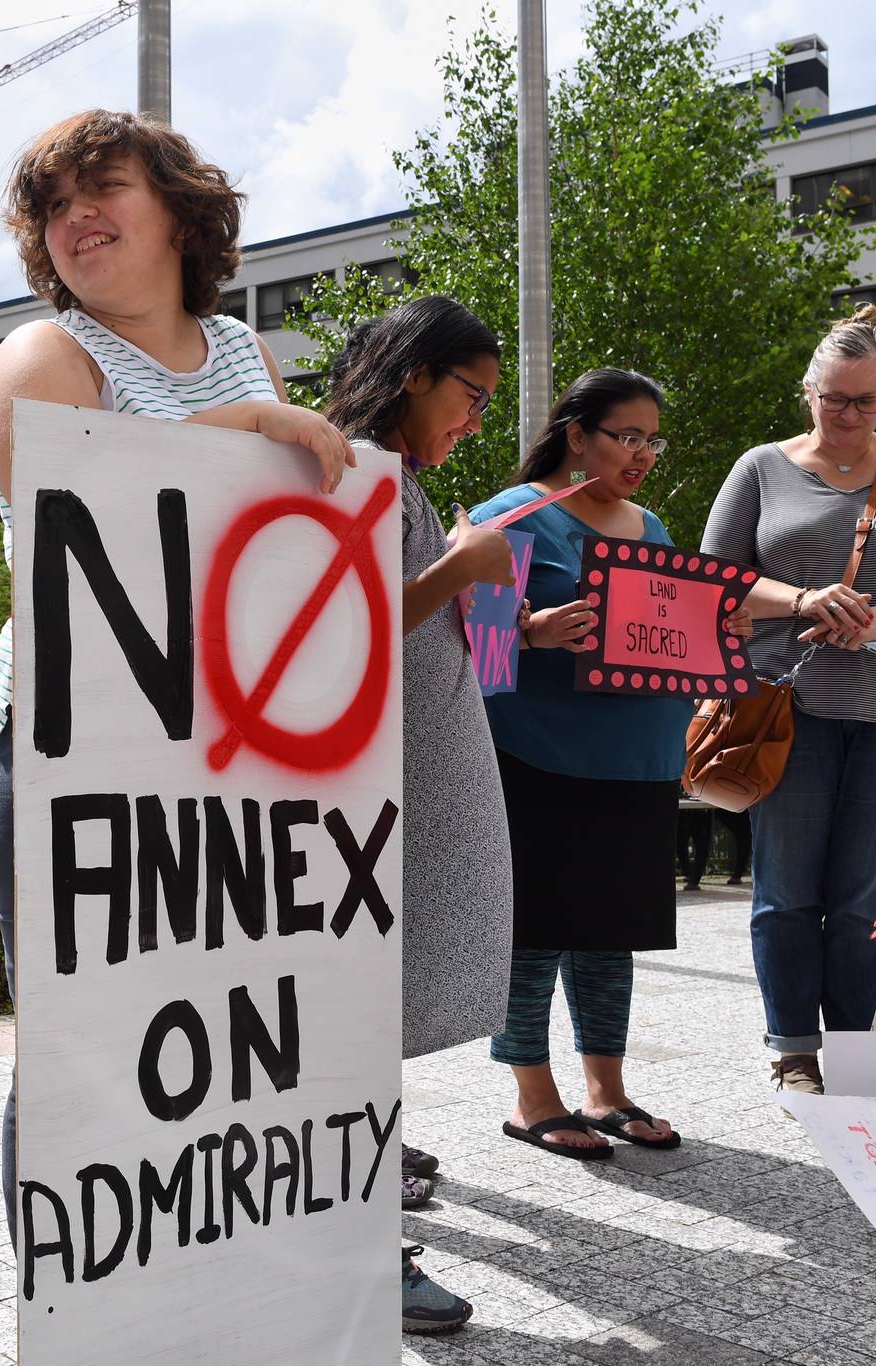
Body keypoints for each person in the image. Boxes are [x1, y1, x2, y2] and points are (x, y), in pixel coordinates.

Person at [0, 106, 352, 1243]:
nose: (74, 217)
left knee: (215, 1040)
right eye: (53, 205)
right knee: (80, 1051)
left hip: (219, 762)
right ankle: (76, 1295)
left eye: (104, 188)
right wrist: (237, 435)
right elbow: (82, 536)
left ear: (182, 212)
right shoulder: (46, 354)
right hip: (73, 758)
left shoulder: (238, 346)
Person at [699, 306, 876, 1094]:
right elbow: (713, 584)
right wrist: (801, 599)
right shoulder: (760, 467)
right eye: (835, 400)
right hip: (788, 711)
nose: (850, 417)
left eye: (868, 403)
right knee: (785, 890)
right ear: (807, 393)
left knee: (866, 895)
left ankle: (855, 1051)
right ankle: (793, 1050)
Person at [322, 296, 515, 1335]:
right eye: (469, 395)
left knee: (378, 999)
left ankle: (369, 1191)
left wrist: (491, 593)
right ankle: (362, 1238)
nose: (476, 421)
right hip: (377, 789)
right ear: (412, 376)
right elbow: (346, 622)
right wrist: (464, 565)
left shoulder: (390, 479)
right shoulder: (363, 472)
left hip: (404, 778)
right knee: (364, 1001)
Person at [471, 370, 704, 1159]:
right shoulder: (511, 516)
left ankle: (606, 1089)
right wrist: (532, 630)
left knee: (613, 929)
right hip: (540, 754)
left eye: (651, 440)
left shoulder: (654, 525)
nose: (641, 454)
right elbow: (479, 651)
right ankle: (533, 1096)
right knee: (536, 929)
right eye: (625, 436)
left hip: (640, 757)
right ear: (578, 434)